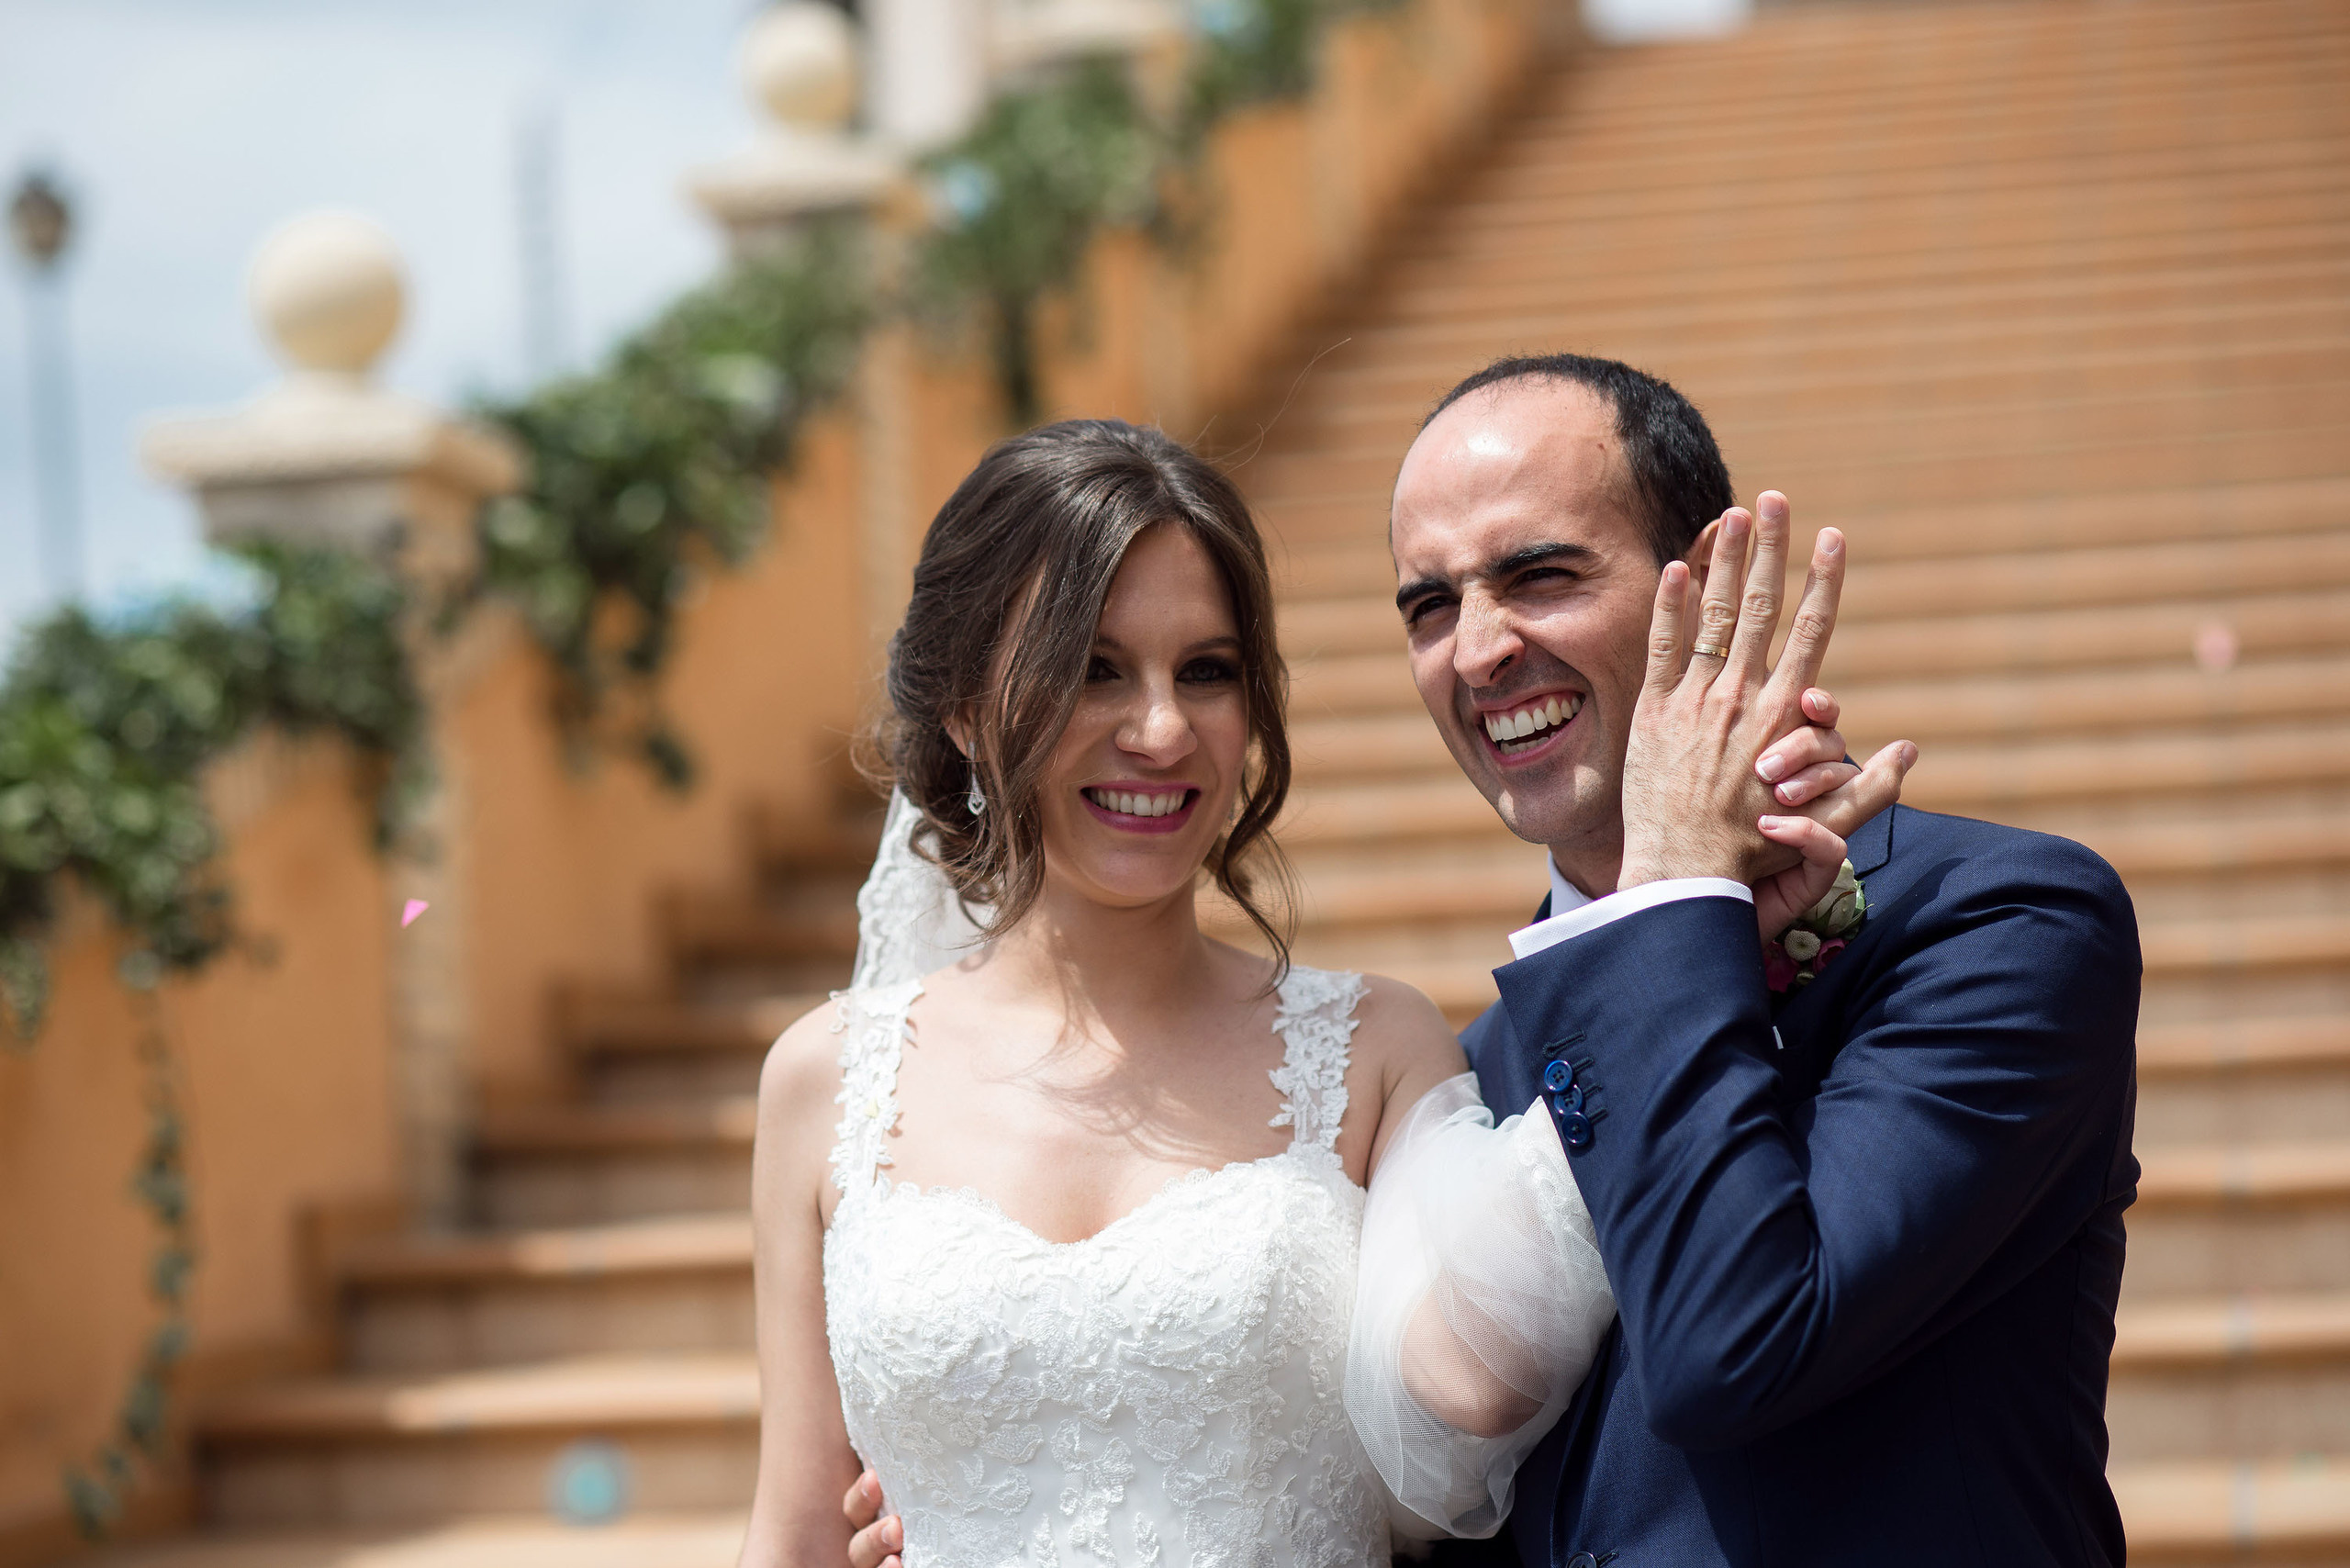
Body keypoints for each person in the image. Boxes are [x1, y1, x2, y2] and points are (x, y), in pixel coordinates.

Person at [747, 416, 1898, 1567]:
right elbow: (795, 1529)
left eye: (1207, 672)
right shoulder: (824, 1080)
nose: (1161, 729)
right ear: (964, 709)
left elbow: (1462, 1404)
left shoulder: (1375, 1047)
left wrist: (1669, 920)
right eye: (1094, 669)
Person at [1390, 358, 2142, 1567]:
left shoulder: (2002, 925)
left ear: (1711, 586)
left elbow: (1733, 1347)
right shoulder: (1484, 1060)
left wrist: (1669, 898)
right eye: (1429, 605)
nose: (1476, 651)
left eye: (1538, 575)